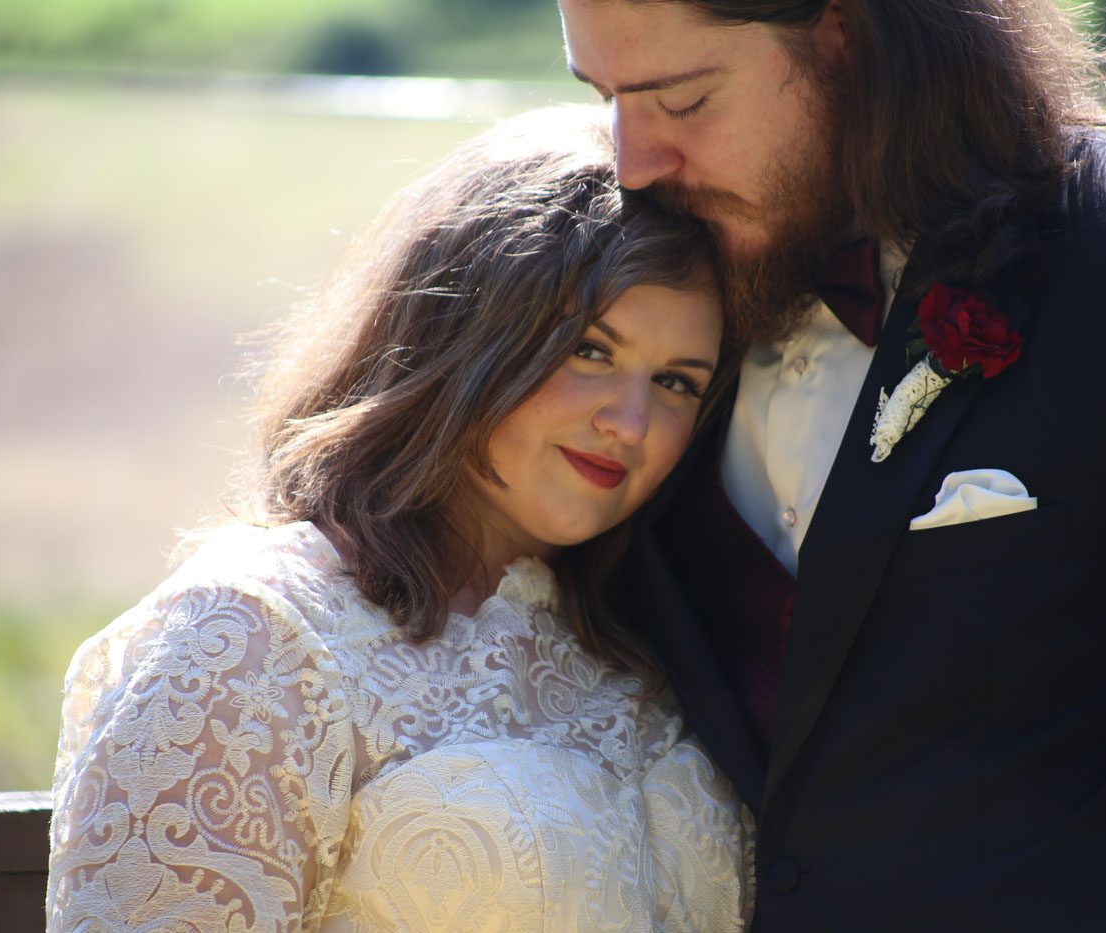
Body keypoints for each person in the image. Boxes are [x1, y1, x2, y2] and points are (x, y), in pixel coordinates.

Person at [556, 0, 1106, 928]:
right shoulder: (632, 294)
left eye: (681, 100)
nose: (633, 166)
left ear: (846, 37)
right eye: (604, 98)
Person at [45, 107, 756, 931]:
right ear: (466, 334)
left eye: (676, 381)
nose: (630, 422)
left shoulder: (649, 642)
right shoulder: (252, 636)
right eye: (590, 350)